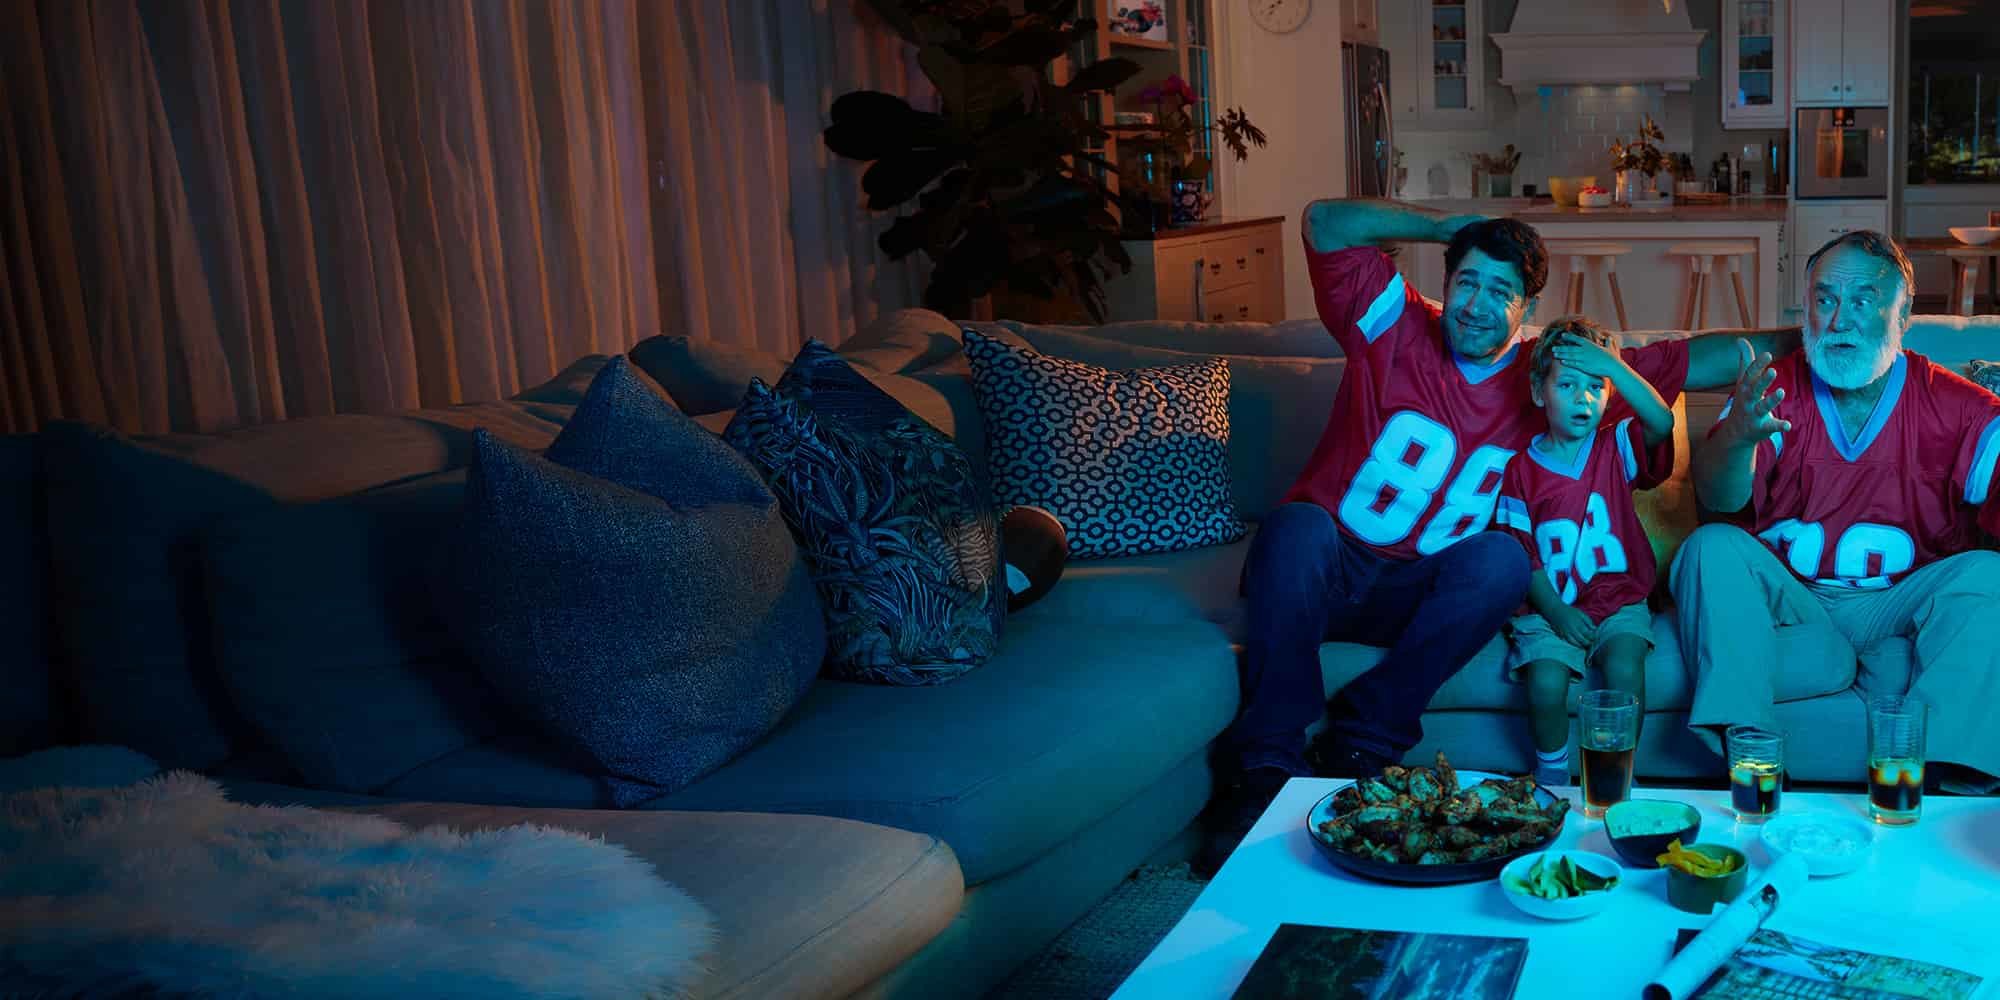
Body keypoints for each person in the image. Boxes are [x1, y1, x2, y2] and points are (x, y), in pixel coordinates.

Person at [1198, 197, 1795, 875]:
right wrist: (1441, 227)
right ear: (1446, 284)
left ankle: (1361, 741)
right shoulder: (1393, 321)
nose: (1478, 305)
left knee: (1505, 558)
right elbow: (1321, 224)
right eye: (1467, 283)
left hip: (1421, 595)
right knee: (1296, 524)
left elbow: (1696, 361)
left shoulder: (1546, 377)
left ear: (1525, 310)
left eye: (1501, 292)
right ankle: (1264, 767)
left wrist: (1825, 338)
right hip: (1326, 569)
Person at [1673, 230, 2000, 791]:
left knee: (1988, 576)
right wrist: (1739, 438)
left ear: (1903, 316)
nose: (1839, 319)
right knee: (1709, 547)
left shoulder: (1959, 406)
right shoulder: (1773, 389)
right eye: (1825, 299)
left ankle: (1944, 788)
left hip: (1899, 605)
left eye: (1863, 301)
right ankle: (1751, 760)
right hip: (1792, 605)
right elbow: (1720, 501)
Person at [1491, 317, 1676, 788]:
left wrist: (1615, 367)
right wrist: (1556, 612)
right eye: (1568, 384)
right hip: (1550, 605)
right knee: (1547, 682)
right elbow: (1521, 553)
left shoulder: (1614, 447)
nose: (1583, 397)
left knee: (1624, 667)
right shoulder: (1519, 470)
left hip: (1618, 599)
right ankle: (1552, 775)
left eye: (1596, 386)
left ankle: (1619, 775)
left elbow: (1661, 420)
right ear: (1539, 393)